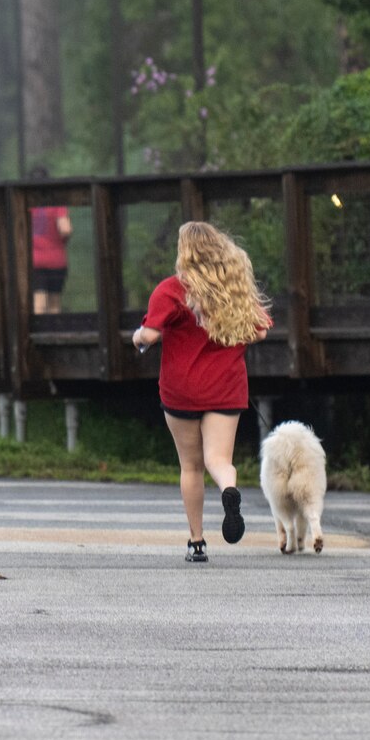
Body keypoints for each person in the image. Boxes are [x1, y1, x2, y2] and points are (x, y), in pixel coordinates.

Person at [131, 220, 272, 563]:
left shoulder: (171, 290)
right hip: (225, 387)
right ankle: (229, 490)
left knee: (190, 467)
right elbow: (260, 332)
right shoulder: (232, 289)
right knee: (218, 460)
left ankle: (196, 543)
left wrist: (137, 338)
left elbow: (149, 336)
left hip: (181, 390)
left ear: (185, 253)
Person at [29, 167, 72, 315]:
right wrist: (62, 241)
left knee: (39, 303)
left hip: (34, 260)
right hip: (56, 259)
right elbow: (65, 229)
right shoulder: (56, 204)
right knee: (54, 303)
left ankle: (40, 335)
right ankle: (54, 336)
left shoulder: (26, 204)